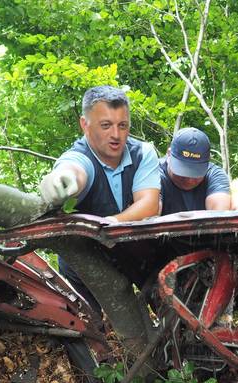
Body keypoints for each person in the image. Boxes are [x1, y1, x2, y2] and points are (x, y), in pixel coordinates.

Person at [38, 85, 161, 310]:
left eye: (122, 125)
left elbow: (150, 203)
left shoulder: (142, 153)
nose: (116, 135)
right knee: (90, 323)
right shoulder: (78, 157)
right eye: (106, 125)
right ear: (85, 125)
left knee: (163, 302)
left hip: (134, 253)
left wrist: (111, 223)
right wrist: (62, 182)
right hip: (84, 261)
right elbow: (75, 171)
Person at [158, 127, 230, 215]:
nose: (189, 180)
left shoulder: (214, 175)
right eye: (182, 172)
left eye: (196, 173)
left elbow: (220, 218)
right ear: (169, 154)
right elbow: (148, 218)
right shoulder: (153, 173)